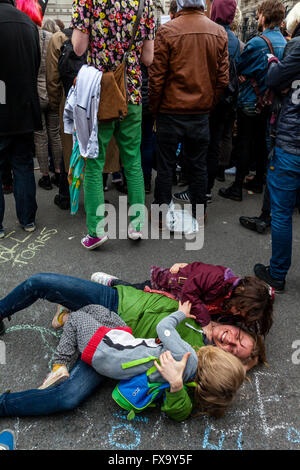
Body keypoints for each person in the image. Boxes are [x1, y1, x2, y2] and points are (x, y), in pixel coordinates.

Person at [0, 273, 262, 421]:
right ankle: (64, 314)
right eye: (238, 337)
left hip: (116, 344)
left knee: (67, 396)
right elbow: (217, 280)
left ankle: (4, 405)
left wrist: (176, 386)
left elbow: (181, 409)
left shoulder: (197, 366)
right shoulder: (207, 306)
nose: (229, 341)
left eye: (234, 350)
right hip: (117, 301)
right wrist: (117, 283)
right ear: (238, 324)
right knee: (39, 282)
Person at [39, 301, 245, 419]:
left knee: (79, 318)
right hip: (118, 357)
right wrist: (176, 386)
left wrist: (180, 314)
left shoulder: (186, 354)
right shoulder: (185, 381)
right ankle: (66, 320)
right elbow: (179, 414)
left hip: (105, 350)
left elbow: (163, 328)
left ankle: (59, 364)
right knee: (102, 313)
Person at [70, 0, 155, 248]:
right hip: (132, 92)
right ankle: (137, 225)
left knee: (94, 161)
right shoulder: (145, 3)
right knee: (132, 158)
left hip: (100, 91)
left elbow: (78, 47)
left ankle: (96, 232)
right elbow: (148, 58)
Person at [149, 0, 229, 225]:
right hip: (200, 111)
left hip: (170, 110)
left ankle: (161, 215)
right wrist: (208, 103)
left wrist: (156, 109)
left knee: (165, 166)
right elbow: (222, 79)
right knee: (197, 165)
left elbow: (156, 78)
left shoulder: (167, 31)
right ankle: (199, 213)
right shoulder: (218, 32)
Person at [92, 260, 274, 337]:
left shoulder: (237, 303)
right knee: (135, 293)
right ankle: (113, 282)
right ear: (240, 290)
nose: (237, 313)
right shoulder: (218, 277)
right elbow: (189, 293)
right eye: (240, 308)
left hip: (177, 303)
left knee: (142, 306)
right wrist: (205, 322)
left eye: (242, 313)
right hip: (168, 286)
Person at [219, 0, 286, 202]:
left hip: (250, 99)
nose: (257, 18)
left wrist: (243, 75)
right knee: (261, 141)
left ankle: (237, 187)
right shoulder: (284, 42)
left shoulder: (257, 42)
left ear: (264, 16)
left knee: (245, 142)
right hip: (270, 101)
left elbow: (238, 65)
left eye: (259, 14)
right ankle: (258, 180)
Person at [174, 0, 241, 204]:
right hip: (225, 100)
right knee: (214, 145)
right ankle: (207, 190)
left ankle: (196, 190)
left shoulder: (211, 32)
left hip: (205, 99)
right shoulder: (236, 41)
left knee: (198, 147)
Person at [253, 3, 300, 292]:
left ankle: (278, 273)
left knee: (281, 211)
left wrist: (272, 61)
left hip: (292, 142)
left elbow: (274, 79)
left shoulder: (296, 47)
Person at [0, 0, 41, 237]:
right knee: (24, 164)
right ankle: (27, 220)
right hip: (25, 106)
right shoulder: (27, 22)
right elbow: (35, 65)